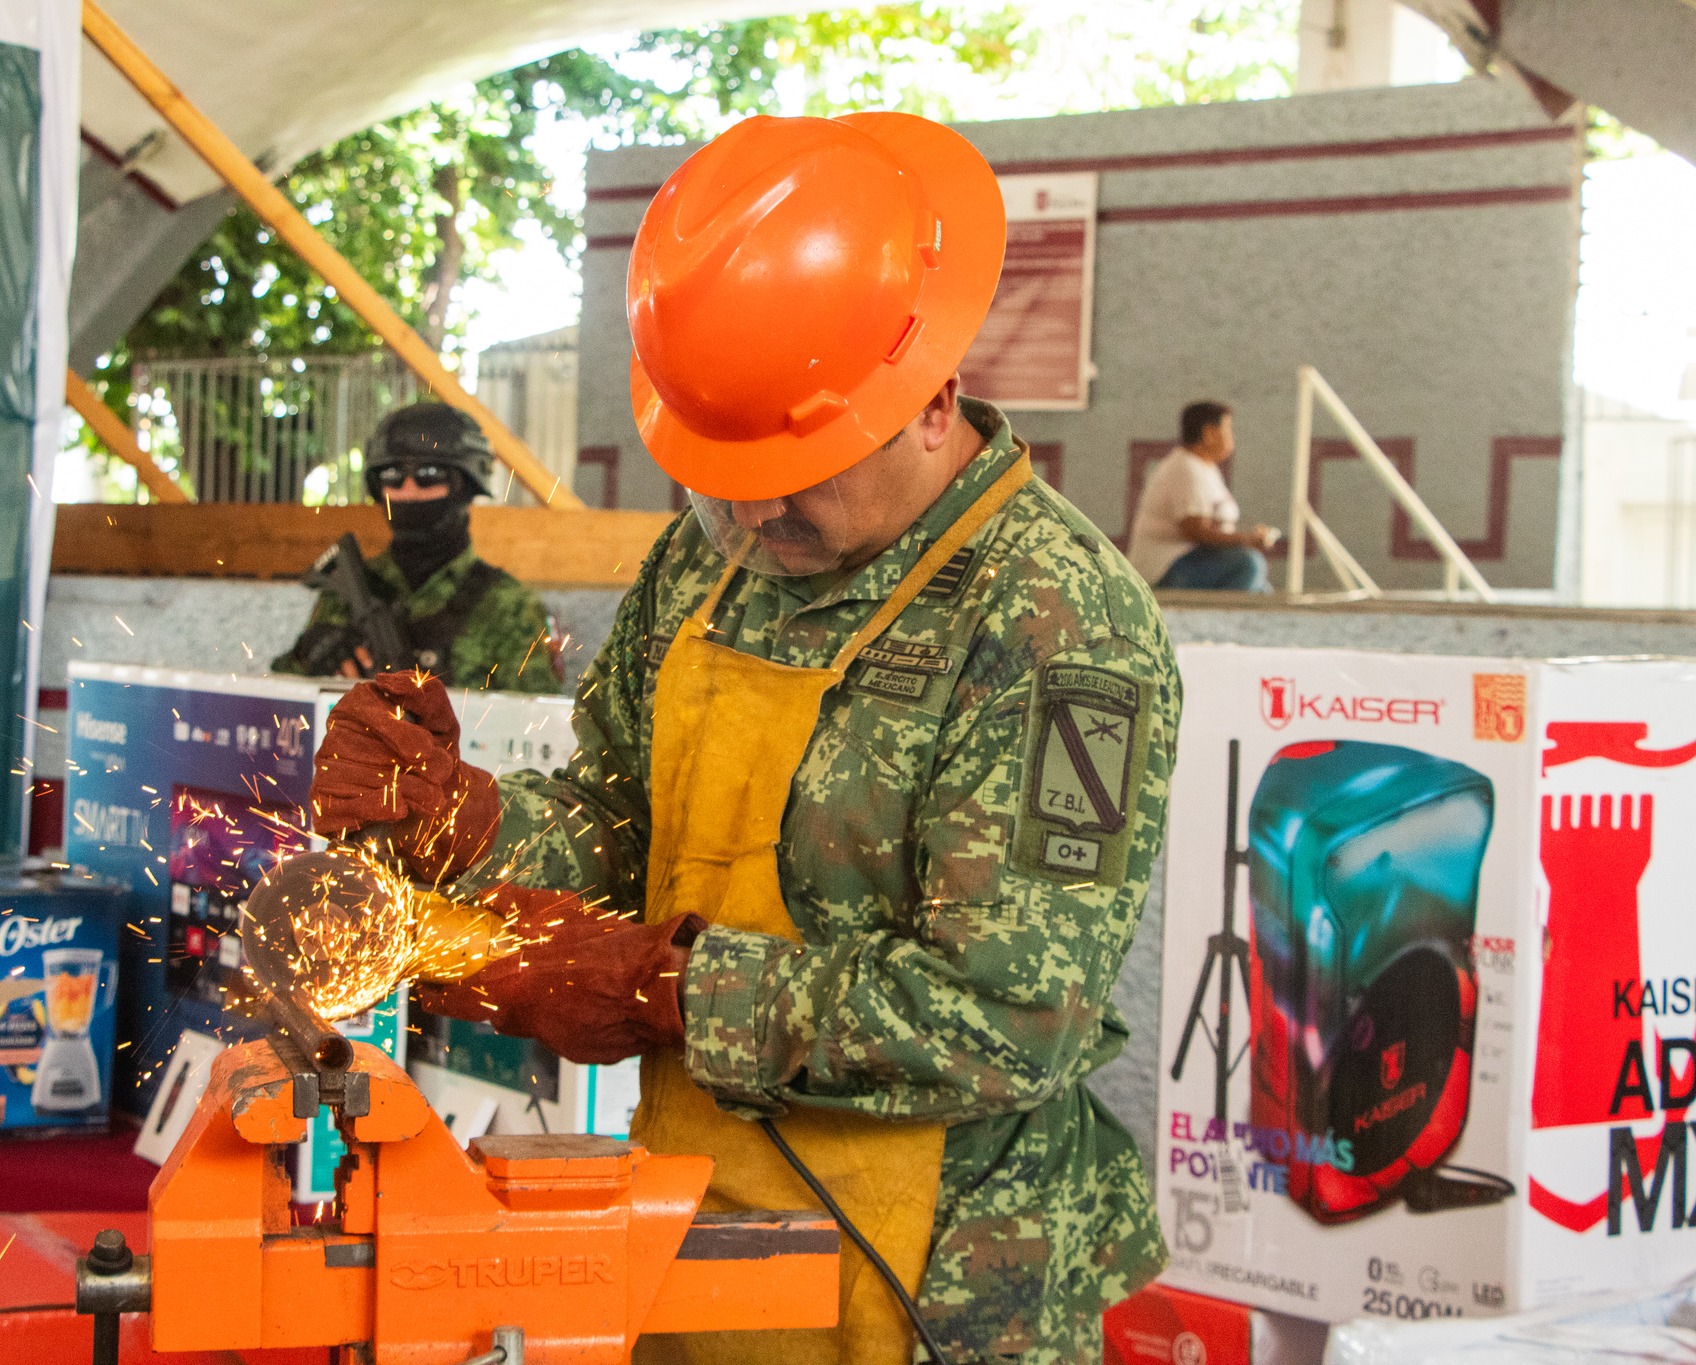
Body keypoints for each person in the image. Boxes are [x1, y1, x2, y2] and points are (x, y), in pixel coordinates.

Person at [309, 113, 1177, 1365]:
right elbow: (620, 817)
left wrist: (661, 986)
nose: (754, 511)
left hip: (942, 1288)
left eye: (796, 469)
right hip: (694, 1215)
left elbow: (1004, 1019)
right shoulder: (715, 557)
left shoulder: (1057, 629)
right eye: (723, 472)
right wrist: (471, 823)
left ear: (930, 396)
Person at [270, 402, 564, 692]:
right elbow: (281, 707)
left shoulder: (509, 606)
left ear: (466, 485)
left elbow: (536, 726)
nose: (408, 490)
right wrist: (305, 656)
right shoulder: (348, 588)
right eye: (392, 475)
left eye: (429, 474)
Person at [1126, 400, 1279, 592]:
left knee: (1263, 589)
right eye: (1228, 429)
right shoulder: (1186, 468)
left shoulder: (1205, 467)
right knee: (1248, 564)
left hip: (1191, 560)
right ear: (1209, 434)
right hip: (1167, 568)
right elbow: (1195, 530)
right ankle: (1228, 621)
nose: (1232, 438)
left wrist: (1244, 539)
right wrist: (1245, 539)